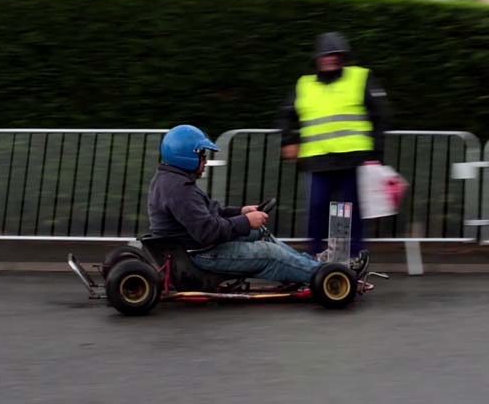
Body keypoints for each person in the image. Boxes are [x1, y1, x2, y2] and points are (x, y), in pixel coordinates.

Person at [148, 124, 368, 284]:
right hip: (199, 253)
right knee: (268, 253)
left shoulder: (173, 180)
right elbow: (207, 232)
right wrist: (244, 222)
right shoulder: (179, 190)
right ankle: (330, 276)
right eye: (203, 156)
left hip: (195, 246)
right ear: (188, 156)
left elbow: (211, 212)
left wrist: (242, 212)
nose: (205, 161)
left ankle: (314, 267)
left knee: (259, 232)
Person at [279, 32, 390, 259]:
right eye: (325, 55)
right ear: (317, 58)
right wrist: (289, 140)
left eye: (335, 54)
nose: (330, 59)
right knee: (318, 208)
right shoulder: (305, 84)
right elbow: (285, 115)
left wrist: (376, 154)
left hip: (352, 159)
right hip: (318, 160)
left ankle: (351, 256)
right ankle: (315, 256)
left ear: (343, 57)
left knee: (346, 212)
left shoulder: (360, 77)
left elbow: (381, 116)